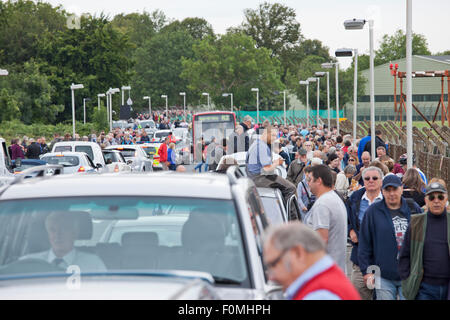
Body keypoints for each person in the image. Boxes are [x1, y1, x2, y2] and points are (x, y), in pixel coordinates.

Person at [358, 175, 422, 300]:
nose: (392, 193)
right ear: (382, 191)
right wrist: (367, 271)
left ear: (402, 189)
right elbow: (365, 243)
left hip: (409, 274)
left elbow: (423, 239)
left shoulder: (413, 208)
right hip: (383, 274)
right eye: (388, 190)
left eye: (395, 189)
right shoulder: (373, 212)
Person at [263, 222, 360, 300]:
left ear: (298, 253)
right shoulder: (327, 282)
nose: (271, 277)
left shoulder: (319, 295)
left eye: (274, 264)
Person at [399, 182, 450, 300]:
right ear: (426, 201)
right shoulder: (416, 223)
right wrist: (407, 279)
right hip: (424, 288)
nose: (436, 201)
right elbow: (404, 255)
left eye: (440, 197)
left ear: (446, 199)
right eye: (432, 197)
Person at [346, 166, 384, 300]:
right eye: (367, 178)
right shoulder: (355, 199)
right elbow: (346, 218)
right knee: (358, 294)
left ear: (381, 181)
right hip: (361, 259)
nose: (371, 181)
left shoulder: (389, 199)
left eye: (375, 178)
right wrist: (350, 230)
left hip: (384, 261)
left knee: (382, 295)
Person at [23, 211, 106, 271]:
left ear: (75, 233)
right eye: (52, 230)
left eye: (64, 229)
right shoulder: (28, 264)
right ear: (48, 234)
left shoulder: (94, 264)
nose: (58, 234)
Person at [304, 165, 348, 273]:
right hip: (335, 269)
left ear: (319, 181)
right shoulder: (333, 198)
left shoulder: (322, 204)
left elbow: (321, 240)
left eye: (310, 180)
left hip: (325, 271)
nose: (308, 183)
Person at [245, 125, 297, 217]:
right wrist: (277, 163)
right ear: (266, 134)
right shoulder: (262, 146)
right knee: (291, 188)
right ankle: (292, 218)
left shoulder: (256, 144)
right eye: (273, 135)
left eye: (275, 135)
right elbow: (266, 169)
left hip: (254, 177)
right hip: (260, 178)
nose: (275, 138)